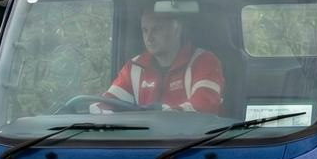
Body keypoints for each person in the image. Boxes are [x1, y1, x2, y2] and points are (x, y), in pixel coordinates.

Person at [94, 11, 225, 115]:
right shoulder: (133, 67)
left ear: (176, 29)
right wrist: (92, 109)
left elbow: (205, 105)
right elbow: (108, 103)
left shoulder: (204, 61)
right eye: (145, 30)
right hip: (146, 140)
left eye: (156, 30)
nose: (149, 37)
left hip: (194, 139)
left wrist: (169, 114)